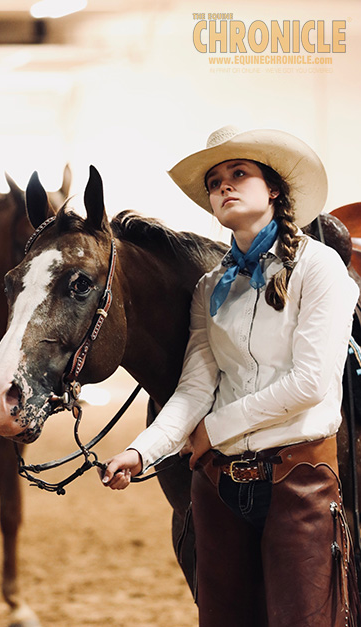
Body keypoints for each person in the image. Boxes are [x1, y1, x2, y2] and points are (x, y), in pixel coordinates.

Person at [99, 125, 361, 626]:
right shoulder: (210, 287)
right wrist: (141, 452)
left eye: (239, 173)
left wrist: (213, 431)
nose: (224, 186)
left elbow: (309, 383)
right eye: (215, 181)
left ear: (275, 189)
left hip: (298, 481)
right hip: (218, 490)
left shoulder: (320, 268)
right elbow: (196, 386)